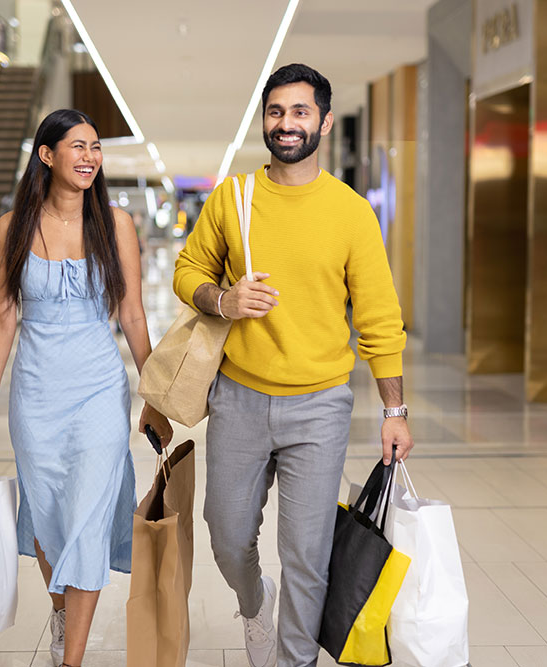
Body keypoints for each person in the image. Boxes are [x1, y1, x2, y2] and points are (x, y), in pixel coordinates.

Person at [173, 63, 414, 667]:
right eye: (276, 112)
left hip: (321, 405)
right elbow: (187, 272)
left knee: (307, 553)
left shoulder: (352, 212)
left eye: (300, 112)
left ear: (324, 122)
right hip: (239, 398)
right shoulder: (234, 198)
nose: (287, 124)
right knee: (227, 536)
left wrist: (395, 409)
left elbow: (380, 318)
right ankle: (256, 603)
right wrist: (223, 300)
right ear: (265, 120)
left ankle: (293, 660)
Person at [0, 109, 172, 667]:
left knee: (86, 513)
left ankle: (70, 659)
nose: (89, 157)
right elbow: (2, 318)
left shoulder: (115, 224)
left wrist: (155, 396)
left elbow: (131, 315)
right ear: (47, 155)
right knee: (47, 510)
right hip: (35, 391)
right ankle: (60, 606)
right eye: (77, 146)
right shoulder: (12, 228)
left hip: (99, 388)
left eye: (96, 148)